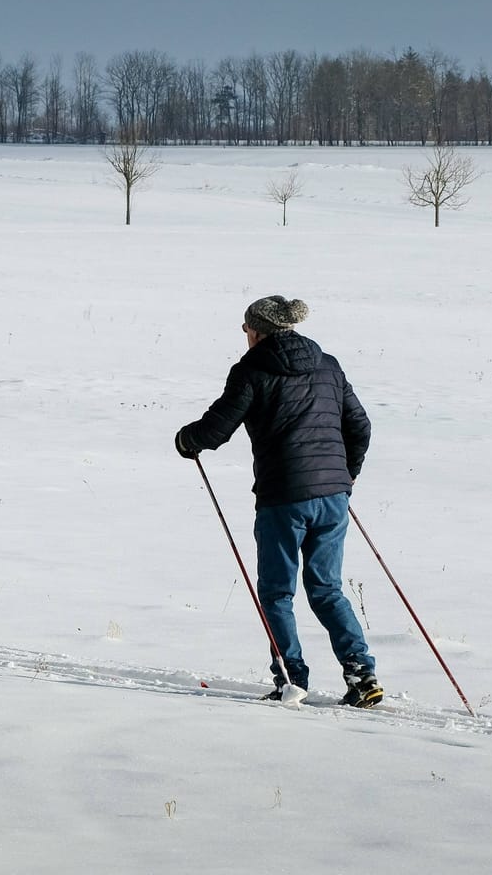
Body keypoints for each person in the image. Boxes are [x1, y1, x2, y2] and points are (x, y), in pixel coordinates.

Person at [174, 295, 383, 707]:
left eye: (245, 329)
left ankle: (292, 678)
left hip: (283, 497)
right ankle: (361, 674)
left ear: (258, 330)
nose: (244, 336)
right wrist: (347, 473)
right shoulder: (328, 365)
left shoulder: (252, 370)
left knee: (276, 592)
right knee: (327, 589)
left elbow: (217, 430)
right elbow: (359, 425)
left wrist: (186, 440)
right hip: (333, 495)